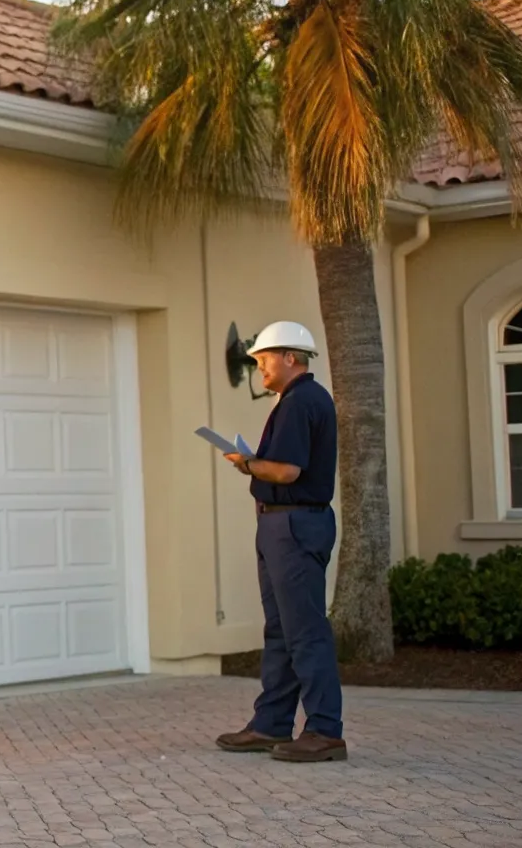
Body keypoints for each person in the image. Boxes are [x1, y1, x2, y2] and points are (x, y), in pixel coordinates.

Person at [215, 320, 346, 763]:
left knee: (305, 631)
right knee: (280, 630)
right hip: (282, 525)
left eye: (264, 359)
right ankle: (271, 723)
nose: (260, 369)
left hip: (293, 526)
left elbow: (287, 471)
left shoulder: (300, 401)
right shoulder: (297, 400)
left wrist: (248, 463)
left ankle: (325, 731)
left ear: (291, 357)